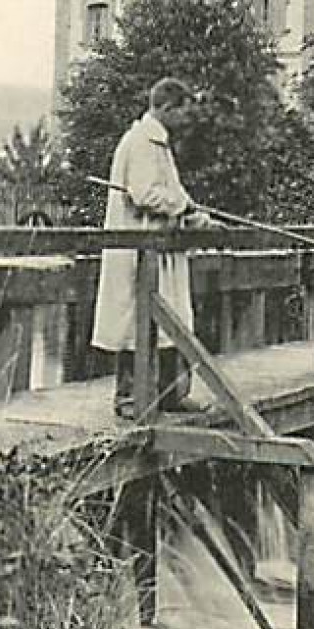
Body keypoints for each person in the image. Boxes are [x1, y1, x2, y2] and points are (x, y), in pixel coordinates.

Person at [91, 77, 216, 420]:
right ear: (165, 108)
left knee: (171, 321)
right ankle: (130, 398)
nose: (185, 121)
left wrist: (196, 216)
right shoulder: (141, 142)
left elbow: (172, 193)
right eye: (182, 113)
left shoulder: (158, 143)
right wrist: (183, 208)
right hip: (138, 249)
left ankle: (170, 394)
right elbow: (145, 194)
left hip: (161, 249)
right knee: (136, 323)